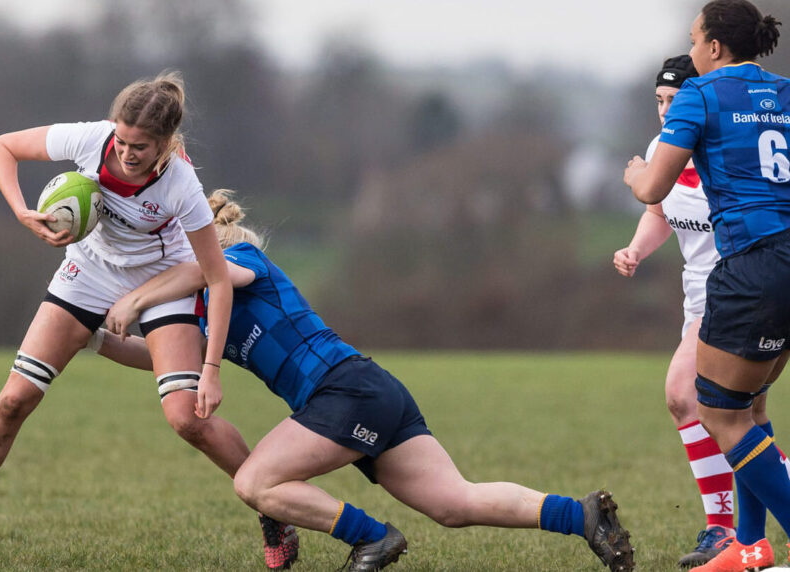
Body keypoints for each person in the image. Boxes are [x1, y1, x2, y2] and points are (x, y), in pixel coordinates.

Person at [91, 189, 636, 571]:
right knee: (454, 504)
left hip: (343, 389)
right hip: (365, 392)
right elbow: (164, 361)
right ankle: (581, 515)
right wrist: (93, 337)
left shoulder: (239, 257)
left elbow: (211, 273)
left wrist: (139, 296)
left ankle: (372, 539)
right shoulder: (210, 315)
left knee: (255, 484)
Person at [0, 72, 300, 570]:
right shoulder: (91, 138)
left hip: (162, 279)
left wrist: (211, 371)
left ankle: (274, 509)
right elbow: (0, 146)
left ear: (166, 145)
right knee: (15, 399)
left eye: (140, 146)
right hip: (88, 273)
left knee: (187, 419)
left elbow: (217, 278)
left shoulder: (181, 184)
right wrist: (20, 210)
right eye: (121, 140)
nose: (125, 153)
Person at [624, 2, 790, 570]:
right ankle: (749, 545)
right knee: (751, 410)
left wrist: (631, 176)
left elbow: (653, 188)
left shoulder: (702, 92)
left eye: (694, 38)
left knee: (717, 412)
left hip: (751, 267)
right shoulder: (786, 91)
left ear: (715, 46)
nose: (691, 48)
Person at [613, 55, 756, 568]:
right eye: (660, 101)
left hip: (739, 294)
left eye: (676, 101)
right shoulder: (662, 149)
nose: (666, 111)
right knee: (737, 419)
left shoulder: (729, 151)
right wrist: (635, 249)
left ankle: (723, 530)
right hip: (698, 298)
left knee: (683, 394)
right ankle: (736, 532)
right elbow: (659, 213)